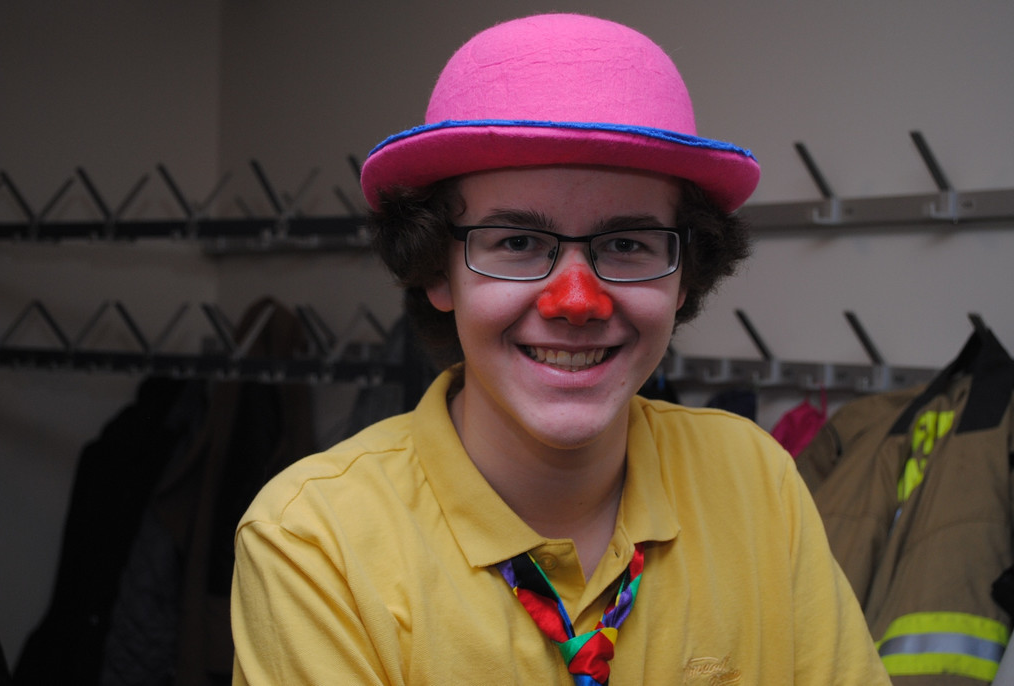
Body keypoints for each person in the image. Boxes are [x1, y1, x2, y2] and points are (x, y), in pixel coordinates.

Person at [231, 13, 891, 685]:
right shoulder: (316, 541)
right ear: (437, 270)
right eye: (517, 243)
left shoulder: (755, 480)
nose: (576, 301)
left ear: (685, 275)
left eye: (627, 244)